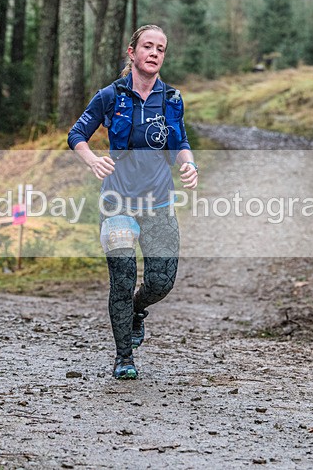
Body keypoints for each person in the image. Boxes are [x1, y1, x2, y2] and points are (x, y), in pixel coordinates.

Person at [67, 24, 198, 380]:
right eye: (148, 47)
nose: (155, 53)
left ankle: (138, 310)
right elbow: (76, 134)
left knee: (161, 282)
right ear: (132, 52)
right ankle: (124, 356)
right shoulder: (110, 96)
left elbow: (180, 141)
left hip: (159, 205)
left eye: (161, 49)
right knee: (122, 280)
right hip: (117, 205)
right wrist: (92, 159)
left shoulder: (171, 99)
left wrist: (189, 165)